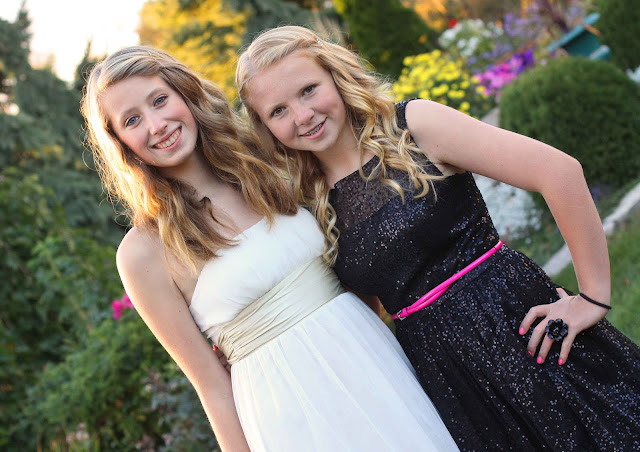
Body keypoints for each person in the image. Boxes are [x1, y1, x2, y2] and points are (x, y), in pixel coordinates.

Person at [236, 25, 640, 450]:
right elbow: (363, 313)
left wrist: (592, 297)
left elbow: (558, 172)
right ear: (264, 127)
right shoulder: (310, 205)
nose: (302, 116)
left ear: (335, 76)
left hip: (522, 326)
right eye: (278, 111)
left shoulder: (412, 126)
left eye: (308, 90)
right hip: (446, 377)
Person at [81, 46, 459, 452]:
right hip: (286, 413)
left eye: (159, 100)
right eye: (132, 120)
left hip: (375, 365)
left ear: (184, 94)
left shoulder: (271, 166)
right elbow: (210, 385)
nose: (156, 125)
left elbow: (356, 264)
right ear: (120, 143)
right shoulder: (143, 252)